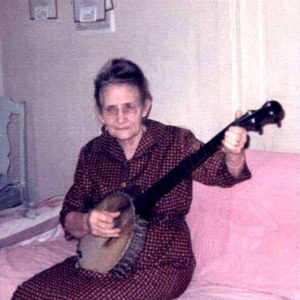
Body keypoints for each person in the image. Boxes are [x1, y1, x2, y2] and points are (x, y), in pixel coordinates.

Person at [12, 58, 251, 300]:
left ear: (145, 107)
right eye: (111, 109)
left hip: (159, 264)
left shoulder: (176, 141)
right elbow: (69, 214)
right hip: (99, 262)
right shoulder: (92, 152)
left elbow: (221, 174)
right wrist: (87, 221)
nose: (120, 117)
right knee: (27, 293)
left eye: (129, 107)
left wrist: (235, 153)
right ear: (99, 113)